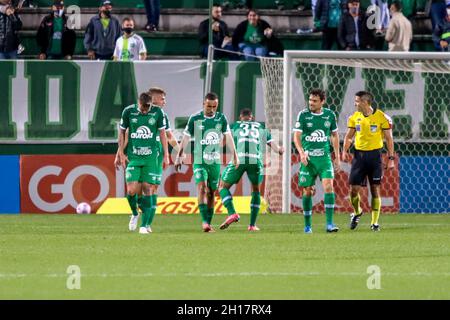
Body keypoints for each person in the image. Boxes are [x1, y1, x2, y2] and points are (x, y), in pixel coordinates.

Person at [175, 92, 239, 233]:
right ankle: (204, 222)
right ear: (203, 104)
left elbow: (228, 137)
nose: (211, 109)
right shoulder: (195, 118)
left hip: (214, 162)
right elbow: (185, 138)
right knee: (202, 188)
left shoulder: (221, 118)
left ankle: (208, 224)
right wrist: (179, 155)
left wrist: (235, 155)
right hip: (199, 161)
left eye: (214, 106)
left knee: (211, 193)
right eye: (209, 106)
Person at [218, 108, 284, 231]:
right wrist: (280, 149)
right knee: (256, 190)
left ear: (240, 117)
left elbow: (222, 142)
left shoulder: (235, 125)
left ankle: (232, 213)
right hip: (255, 160)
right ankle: (252, 225)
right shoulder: (260, 127)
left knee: (222, 186)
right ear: (252, 117)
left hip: (240, 159)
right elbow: (276, 148)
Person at [115, 92, 169, 234]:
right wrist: (120, 152)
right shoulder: (128, 112)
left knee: (148, 188)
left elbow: (163, 134)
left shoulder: (157, 112)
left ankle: (144, 226)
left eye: (148, 107)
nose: (145, 110)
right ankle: (134, 213)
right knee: (131, 191)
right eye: (143, 107)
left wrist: (166, 154)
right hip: (134, 157)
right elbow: (122, 133)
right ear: (138, 103)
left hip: (151, 157)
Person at [342, 91, 395, 232]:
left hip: (375, 156)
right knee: (353, 190)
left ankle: (374, 222)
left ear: (365, 102)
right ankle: (357, 211)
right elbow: (348, 136)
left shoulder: (381, 117)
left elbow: (389, 139)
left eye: (357, 101)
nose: (355, 104)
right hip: (359, 156)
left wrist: (390, 159)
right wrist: (344, 149)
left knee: (375, 189)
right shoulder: (354, 117)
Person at [293, 89, 341, 234]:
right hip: (308, 160)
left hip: (324, 158)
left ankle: (330, 224)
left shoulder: (330, 115)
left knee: (328, 187)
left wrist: (337, 157)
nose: (311, 103)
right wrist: (301, 153)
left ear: (322, 102)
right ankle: (307, 226)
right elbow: (296, 136)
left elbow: (334, 135)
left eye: (314, 101)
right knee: (307, 191)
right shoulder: (303, 115)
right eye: (310, 100)